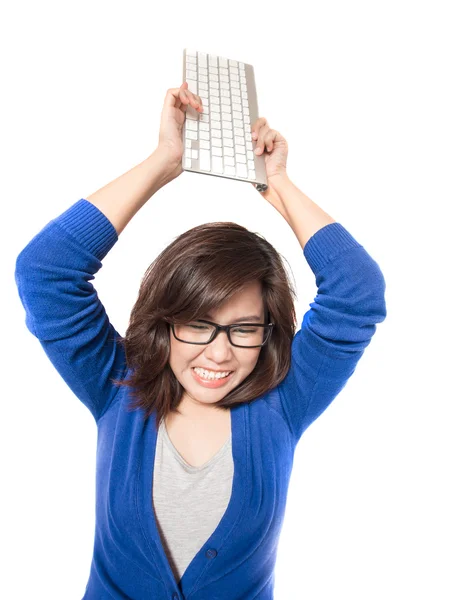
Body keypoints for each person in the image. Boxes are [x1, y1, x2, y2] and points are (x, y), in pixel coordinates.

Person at [14, 82, 387, 599]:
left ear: (268, 331)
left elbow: (358, 292)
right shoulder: (117, 386)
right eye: (196, 324)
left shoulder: (285, 400)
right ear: (164, 323)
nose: (219, 352)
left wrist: (277, 184)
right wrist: (164, 161)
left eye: (244, 329)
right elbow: (44, 271)